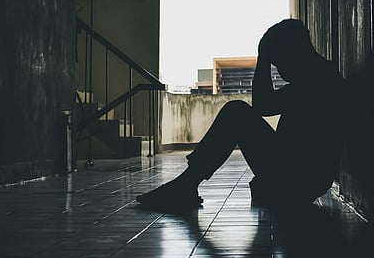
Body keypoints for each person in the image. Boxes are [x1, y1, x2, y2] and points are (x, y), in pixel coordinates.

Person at [136, 18, 346, 210]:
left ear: (292, 53)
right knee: (237, 112)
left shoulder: (318, 82)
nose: (279, 71)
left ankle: (186, 184)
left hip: (299, 179)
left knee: (236, 112)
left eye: (278, 63)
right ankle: (186, 184)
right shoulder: (322, 77)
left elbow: (262, 106)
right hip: (304, 178)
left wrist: (262, 59)